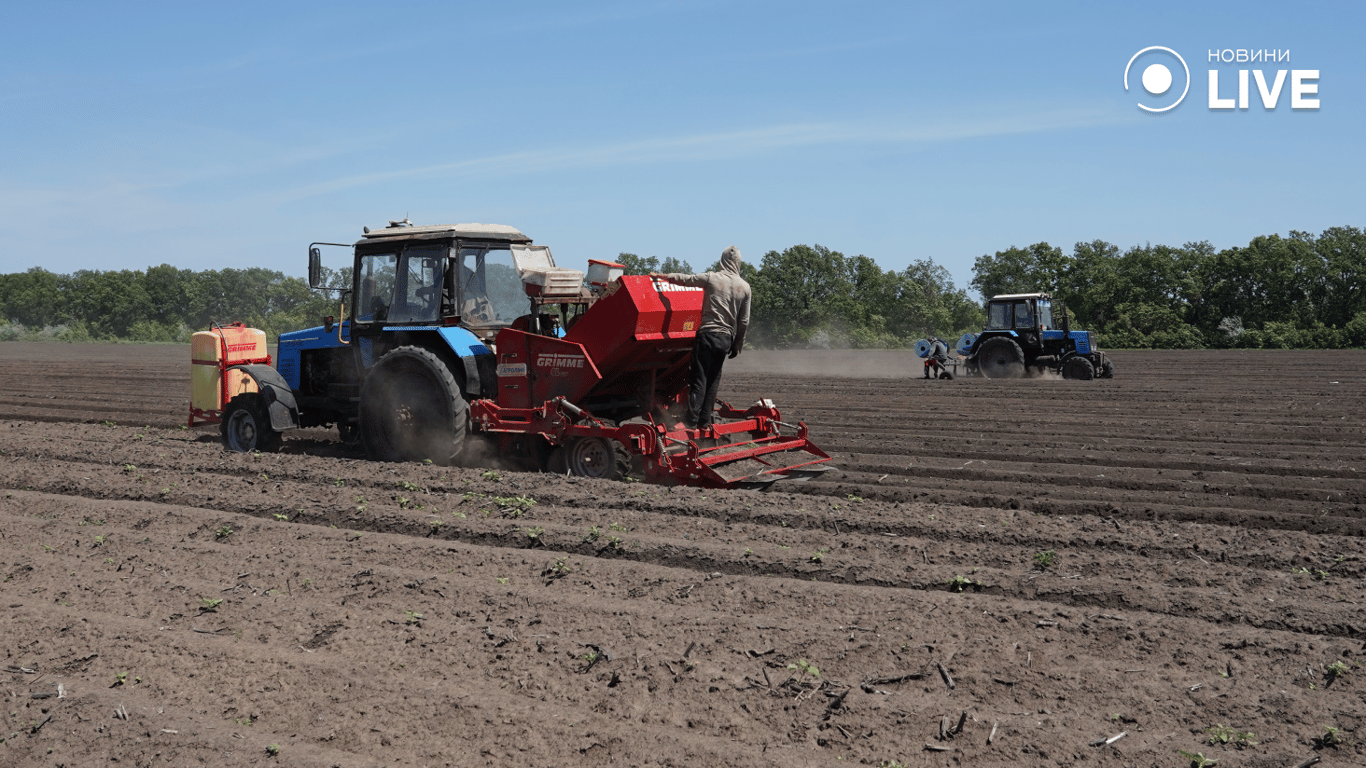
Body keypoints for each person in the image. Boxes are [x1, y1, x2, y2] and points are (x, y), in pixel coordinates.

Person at [652, 246, 751, 431]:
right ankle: (704, 421)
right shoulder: (744, 287)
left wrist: (663, 276)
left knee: (699, 378)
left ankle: (690, 421)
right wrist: (738, 343)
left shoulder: (712, 278)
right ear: (738, 263)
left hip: (707, 334)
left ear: (723, 261)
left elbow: (686, 280)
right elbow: (744, 321)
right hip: (726, 340)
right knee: (713, 379)